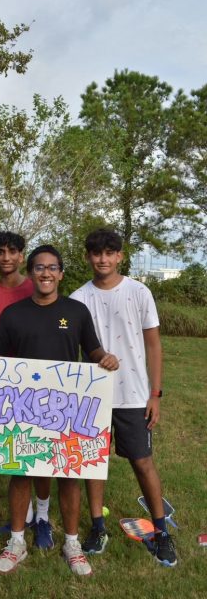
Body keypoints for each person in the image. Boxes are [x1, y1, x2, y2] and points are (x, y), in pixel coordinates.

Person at [0, 244, 119, 575]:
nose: (45, 273)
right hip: (24, 408)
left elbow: (93, 349)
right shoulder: (14, 314)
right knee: (20, 472)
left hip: (66, 407)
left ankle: (72, 543)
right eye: (39, 268)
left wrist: (105, 357)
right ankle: (17, 541)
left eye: (52, 268)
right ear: (30, 274)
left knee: (69, 476)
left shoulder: (76, 311)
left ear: (60, 273)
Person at [70, 228, 177, 567]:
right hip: (92, 396)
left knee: (142, 461)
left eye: (109, 253)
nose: (102, 259)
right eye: (96, 253)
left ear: (119, 256)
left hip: (132, 393)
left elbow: (153, 345)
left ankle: (161, 532)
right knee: (92, 462)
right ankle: (97, 527)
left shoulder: (138, 291)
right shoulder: (77, 298)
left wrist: (155, 394)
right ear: (88, 257)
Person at [0, 231, 53, 548]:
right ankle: (21, 518)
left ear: (22, 256)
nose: (6, 257)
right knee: (17, 455)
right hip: (6, 389)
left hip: (44, 384)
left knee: (44, 455)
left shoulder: (37, 284)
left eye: (12, 251)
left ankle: (44, 517)